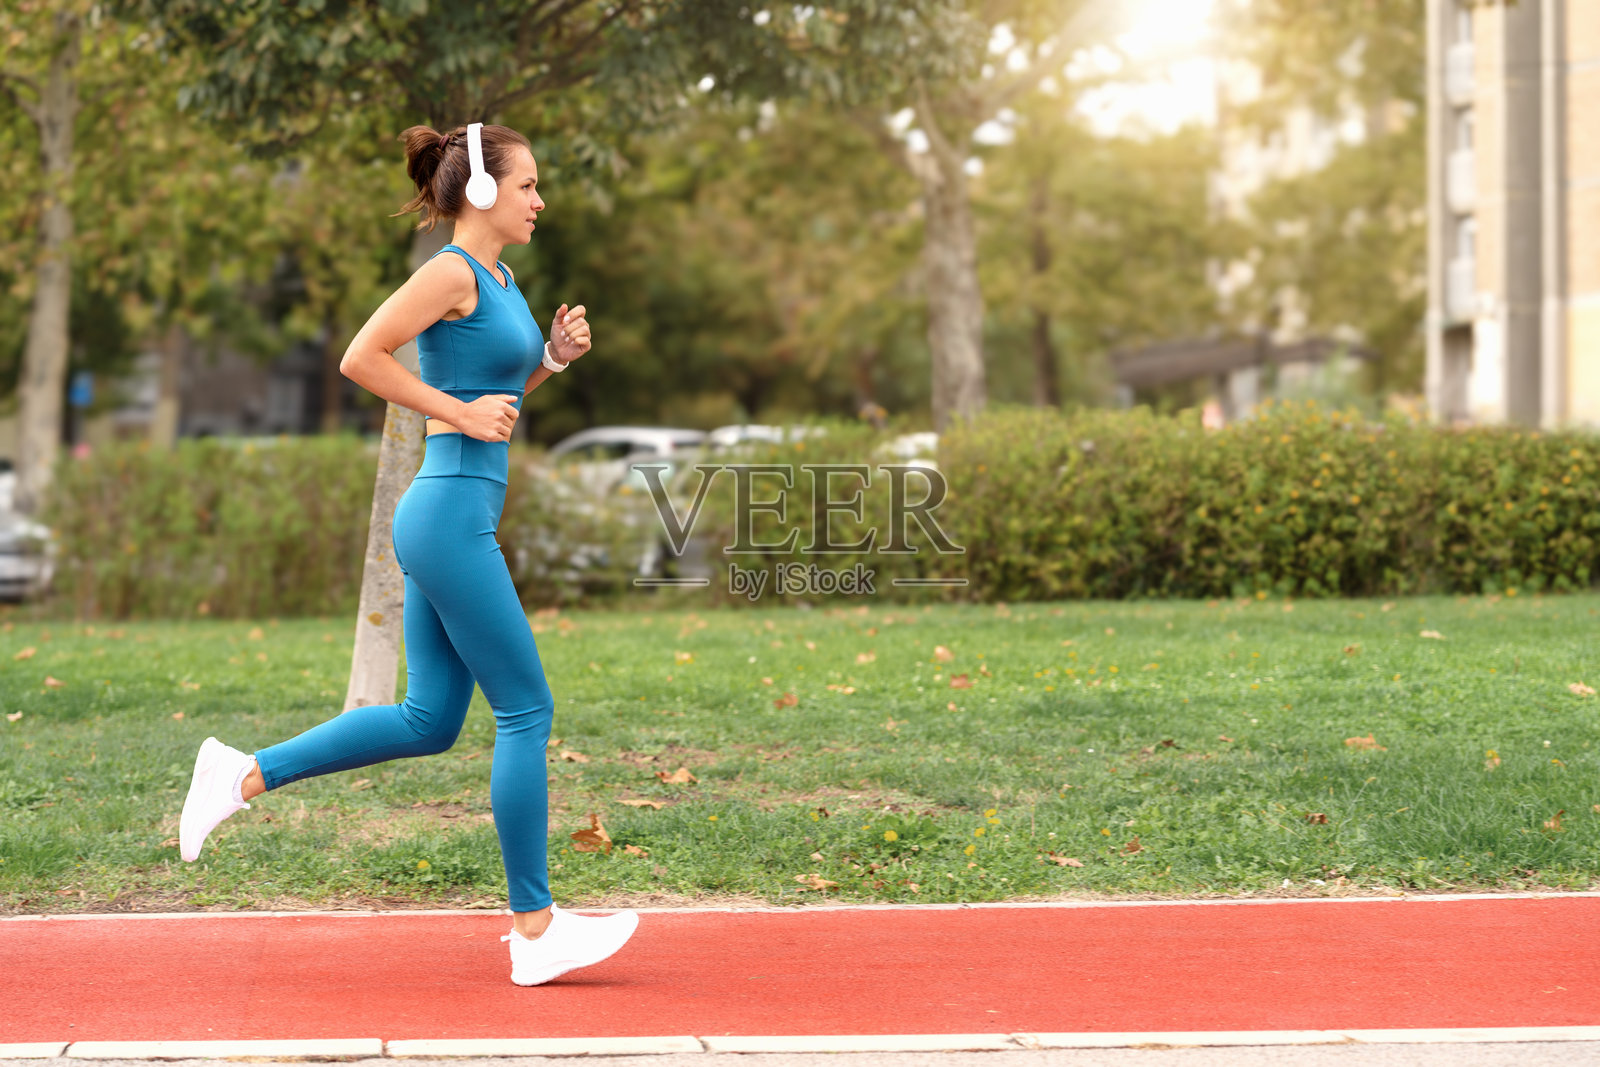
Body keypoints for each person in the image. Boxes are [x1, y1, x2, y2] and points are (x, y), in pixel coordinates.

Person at [177, 122, 638, 987]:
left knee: (429, 722)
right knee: (527, 710)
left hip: (455, 511)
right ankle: (536, 930)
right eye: (530, 185)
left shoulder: (499, 278)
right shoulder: (450, 271)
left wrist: (550, 359)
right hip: (448, 512)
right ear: (484, 192)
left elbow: (492, 392)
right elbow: (361, 357)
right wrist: (457, 414)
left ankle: (238, 775)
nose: (541, 200)